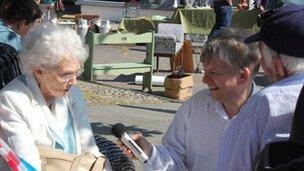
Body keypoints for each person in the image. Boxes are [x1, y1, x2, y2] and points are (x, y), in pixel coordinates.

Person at [117, 28, 261, 170]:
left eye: (214, 73)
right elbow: (175, 158)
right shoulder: (196, 106)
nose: (204, 80)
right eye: (205, 71)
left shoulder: (268, 114)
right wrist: (149, 152)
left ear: (242, 76)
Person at [0, 23, 112, 171]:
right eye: (66, 74)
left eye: (76, 72)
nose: (74, 81)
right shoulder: (12, 99)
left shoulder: (73, 94)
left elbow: (89, 149)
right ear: (39, 71)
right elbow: (27, 165)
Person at [217, 3, 304, 171]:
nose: (261, 63)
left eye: (261, 55)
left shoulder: (265, 102)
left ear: (278, 67)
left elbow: (232, 166)